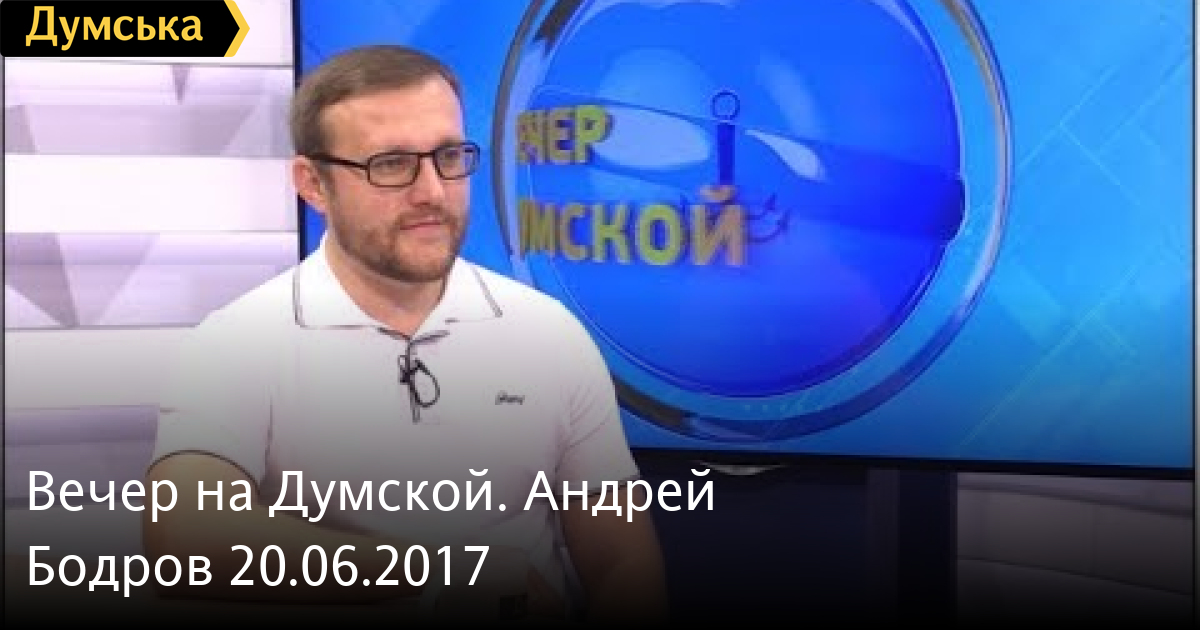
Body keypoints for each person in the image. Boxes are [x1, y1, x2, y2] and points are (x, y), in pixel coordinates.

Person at [144, 44, 669, 623]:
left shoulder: (549, 334)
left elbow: (621, 556)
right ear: (313, 184)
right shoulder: (236, 344)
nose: (432, 192)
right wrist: (440, 575)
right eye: (391, 164)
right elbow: (185, 537)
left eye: (448, 156)